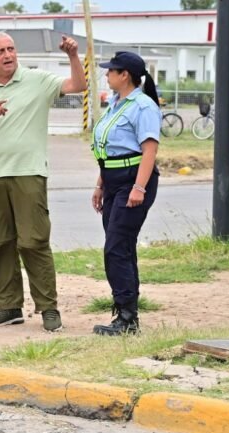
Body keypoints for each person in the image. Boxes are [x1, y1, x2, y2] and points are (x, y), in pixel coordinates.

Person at [0, 31, 86, 332]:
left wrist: (73, 56)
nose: (8, 55)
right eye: (1, 51)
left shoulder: (37, 80)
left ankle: (48, 308)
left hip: (29, 173)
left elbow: (78, 85)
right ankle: (9, 306)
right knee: (1, 242)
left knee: (33, 241)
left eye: (11, 49)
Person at [90, 51, 161, 336]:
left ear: (125, 75)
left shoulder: (143, 106)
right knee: (122, 247)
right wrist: (100, 185)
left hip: (133, 181)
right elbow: (109, 152)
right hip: (113, 181)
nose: (107, 74)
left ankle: (127, 317)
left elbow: (149, 150)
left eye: (111, 70)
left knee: (116, 248)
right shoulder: (116, 104)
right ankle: (126, 313)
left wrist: (139, 188)